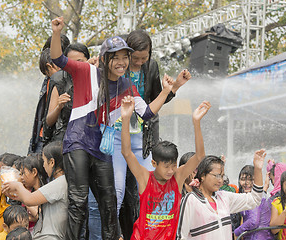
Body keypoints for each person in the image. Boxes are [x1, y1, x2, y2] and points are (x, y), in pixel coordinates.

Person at [50, 16, 188, 240]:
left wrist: (166, 91)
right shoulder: (87, 71)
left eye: (125, 57)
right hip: (78, 143)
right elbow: (57, 57)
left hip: (102, 149)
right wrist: (56, 33)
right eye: (116, 58)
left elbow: (147, 113)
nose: (122, 62)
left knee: (110, 200)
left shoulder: (127, 86)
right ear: (105, 59)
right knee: (78, 199)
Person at [121, 96, 210, 239]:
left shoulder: (178, 177)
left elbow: (200, 156)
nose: (171, 171)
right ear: (154, 163)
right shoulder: (145, 178)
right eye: (166, 166)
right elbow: (126, 153)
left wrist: (196, 122)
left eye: (174, 165)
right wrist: (125, 119)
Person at [176, 150, 265, 240]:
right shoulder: (191, 200)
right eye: (217, 176)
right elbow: (180, 236)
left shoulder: (224, 197)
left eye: (222, 176)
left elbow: (255, 199)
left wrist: (257, 169)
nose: (220, 180)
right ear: (203, 175)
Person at [2, 141, 68, 240]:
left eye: (44, 161)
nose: (44, 165)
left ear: (52, 162)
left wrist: (18, 185)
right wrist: (15, 195)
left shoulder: (60, 183)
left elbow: (29, 200)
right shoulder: (60, 182)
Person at [28, 34, 70, 154]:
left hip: (58, 140)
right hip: (42, 139)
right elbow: (42, 116)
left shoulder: (69, 81)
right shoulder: (49, 79)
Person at [233, 166, 275, 240]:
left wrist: (237, 232)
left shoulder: (256, 197)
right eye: (243, 179)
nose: (247, 183)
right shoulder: (251, 196)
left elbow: (253, 221)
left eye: (251, 179)